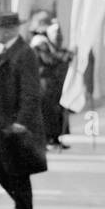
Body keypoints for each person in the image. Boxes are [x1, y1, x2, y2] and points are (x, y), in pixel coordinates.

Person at [0, 12, 47, 209]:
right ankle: (19, 205)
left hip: (15, 123)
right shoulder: (7, 51)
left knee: (18, 170)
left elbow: (31, 91)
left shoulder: (24, 53)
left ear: (9, 30)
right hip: (2, 120)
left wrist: (22, 121)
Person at [29, 11, 73, 150]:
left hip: (51, 82)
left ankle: (55, 138)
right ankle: (48, 139)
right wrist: (65, 56)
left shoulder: (46, 41)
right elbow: (49, 59)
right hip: (44, 82)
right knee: (48, 112)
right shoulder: (39, 42)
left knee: (55, 111)